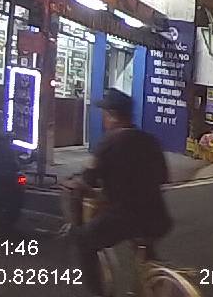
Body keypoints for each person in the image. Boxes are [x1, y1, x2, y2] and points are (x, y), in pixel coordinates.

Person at [63, 89, 172, 296]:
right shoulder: (150, 141)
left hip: (124, 217)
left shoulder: (109, 143)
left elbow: (87, 180)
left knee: (84, 242)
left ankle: (98, 294)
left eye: (105, 114)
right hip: (158, 216)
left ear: (112, 116)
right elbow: (163, 177)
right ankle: (153, 276)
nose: (104, 120)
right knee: (143, 242)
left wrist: (73, 184)